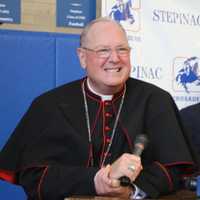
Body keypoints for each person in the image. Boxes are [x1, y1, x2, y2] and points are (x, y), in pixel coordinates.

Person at [0, 17, 197, 200]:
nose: (114, 58)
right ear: (82, 57)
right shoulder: (49, 106)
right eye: (103, 50)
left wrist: (130, 191)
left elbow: (174, 170)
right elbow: (34, 177)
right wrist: (96, 180)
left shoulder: (156, 100)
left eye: (122, 49)